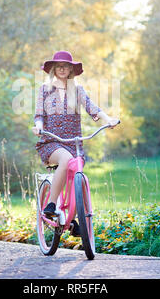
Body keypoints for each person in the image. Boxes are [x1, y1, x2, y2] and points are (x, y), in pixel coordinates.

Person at [32, 51, 119, 236]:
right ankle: (52, 204)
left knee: (76, 172)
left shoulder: (77, 90)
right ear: (54, 69)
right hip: (51, 142)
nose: (62, 68)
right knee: (66, 159)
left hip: (73, 142)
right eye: (59, 66)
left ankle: (72, 218)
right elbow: (39, 114)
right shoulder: (45, 89)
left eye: (66, 66)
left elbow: (91, 107)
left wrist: (108, 119)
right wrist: (38, 127)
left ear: (71, 69)